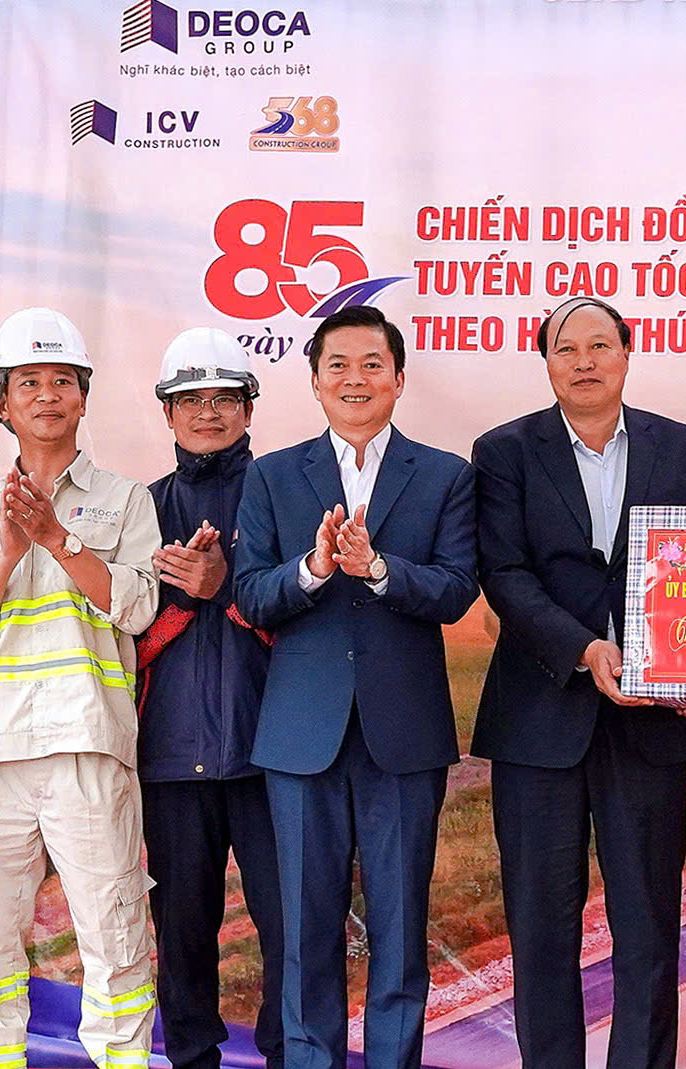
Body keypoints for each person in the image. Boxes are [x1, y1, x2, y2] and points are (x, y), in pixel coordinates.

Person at [469, 296, 686, 1069]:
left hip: (651, 719)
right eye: (566, 348)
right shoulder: (504, 450)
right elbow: (504, 572)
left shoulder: (683, 447)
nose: (584, 360)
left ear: (626, 354)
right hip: (540, 716)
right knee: (542, 927)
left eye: (600, 345)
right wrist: (583, 648)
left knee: (648, 924)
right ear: (546, 362)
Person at [233, 305, 479, 1069]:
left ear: (399, 378)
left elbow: (457, 589)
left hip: (402, 734)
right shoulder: (273, 475)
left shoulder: (444, 474)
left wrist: (377, 568)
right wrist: (313, 569)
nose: (355, 379)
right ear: (314, 381)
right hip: (300, 736)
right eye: (337, 365)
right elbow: (250, 593)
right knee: (306, 932)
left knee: (400, 929)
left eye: (372, 364)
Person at [0, 308, 160, 1069]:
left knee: (113, 929)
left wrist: (55, 538)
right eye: (29, 381)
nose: (48, 394)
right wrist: (8, 556)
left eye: (63, 380)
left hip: (87, 740)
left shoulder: (125, 499)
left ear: (83, 397)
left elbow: (137, 606)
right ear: (3, 402)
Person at [136, 327, 286, 1069]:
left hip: (273, 756)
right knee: (182, 934)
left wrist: (227, 588)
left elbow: (314, 623)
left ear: (248, 408)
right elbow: (119, 634)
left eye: (224, 397)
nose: (208, 412)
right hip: (170, 757)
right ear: (167, 412)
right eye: (189, 399)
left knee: (291, 929)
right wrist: (180, 599)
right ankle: (191, 1058)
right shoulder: (139, 507)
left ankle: (289, 1054)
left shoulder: (286, 492)